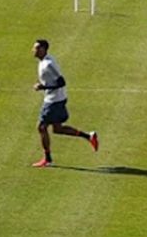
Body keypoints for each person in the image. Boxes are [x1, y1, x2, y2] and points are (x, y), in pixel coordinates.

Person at [31, 38, 97, 167]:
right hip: (55, 98)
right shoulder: (44, 61)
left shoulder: (48, 64)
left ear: (44, 49)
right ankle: (89, 136)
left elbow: (61, 82)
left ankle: (48, 159)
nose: (34, 50)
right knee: (57, 129)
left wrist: (43, 88)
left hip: (54, 100)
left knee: (41, 127)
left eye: (37, 48)